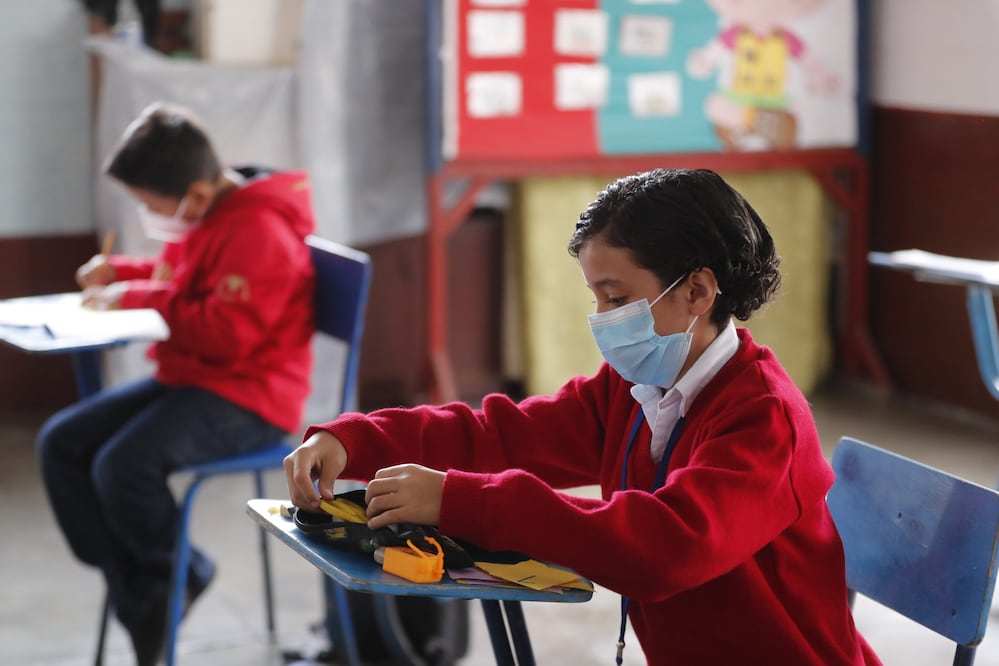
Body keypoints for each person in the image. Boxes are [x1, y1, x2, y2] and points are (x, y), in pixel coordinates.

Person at [284, 168, 881, 665]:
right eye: (596, 297)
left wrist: (465, 501)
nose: (601, 318)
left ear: (698, 292)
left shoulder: (765, 417)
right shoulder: (634, 387)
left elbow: (667, 548)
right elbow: (503, 435)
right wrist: (356, 440)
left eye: (617, 299)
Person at [37, 102, 316, 666]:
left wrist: (135, 298)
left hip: (250, 397)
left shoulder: (260, 231)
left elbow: (227, 334)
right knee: (61, 444)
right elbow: (180, 280)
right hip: (195, 378)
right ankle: (154, 584)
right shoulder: (212, 214)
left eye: (150, 203)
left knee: (122, 467)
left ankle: (165, 582)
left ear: (196, 193)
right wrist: (121, 273)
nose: (147, 213)